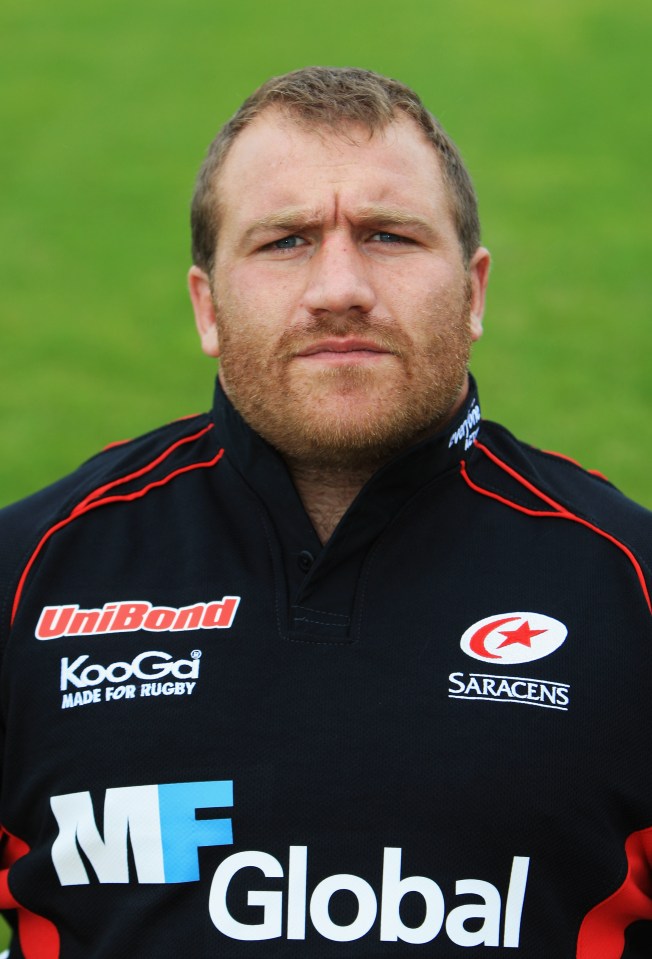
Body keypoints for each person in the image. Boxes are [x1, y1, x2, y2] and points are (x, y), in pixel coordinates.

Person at [0, 66, 650, 959]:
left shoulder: (629, 585)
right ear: (207, 306)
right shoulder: (29, 573)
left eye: (388, 235)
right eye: (285, 241)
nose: (339, 287)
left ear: (474, 292)